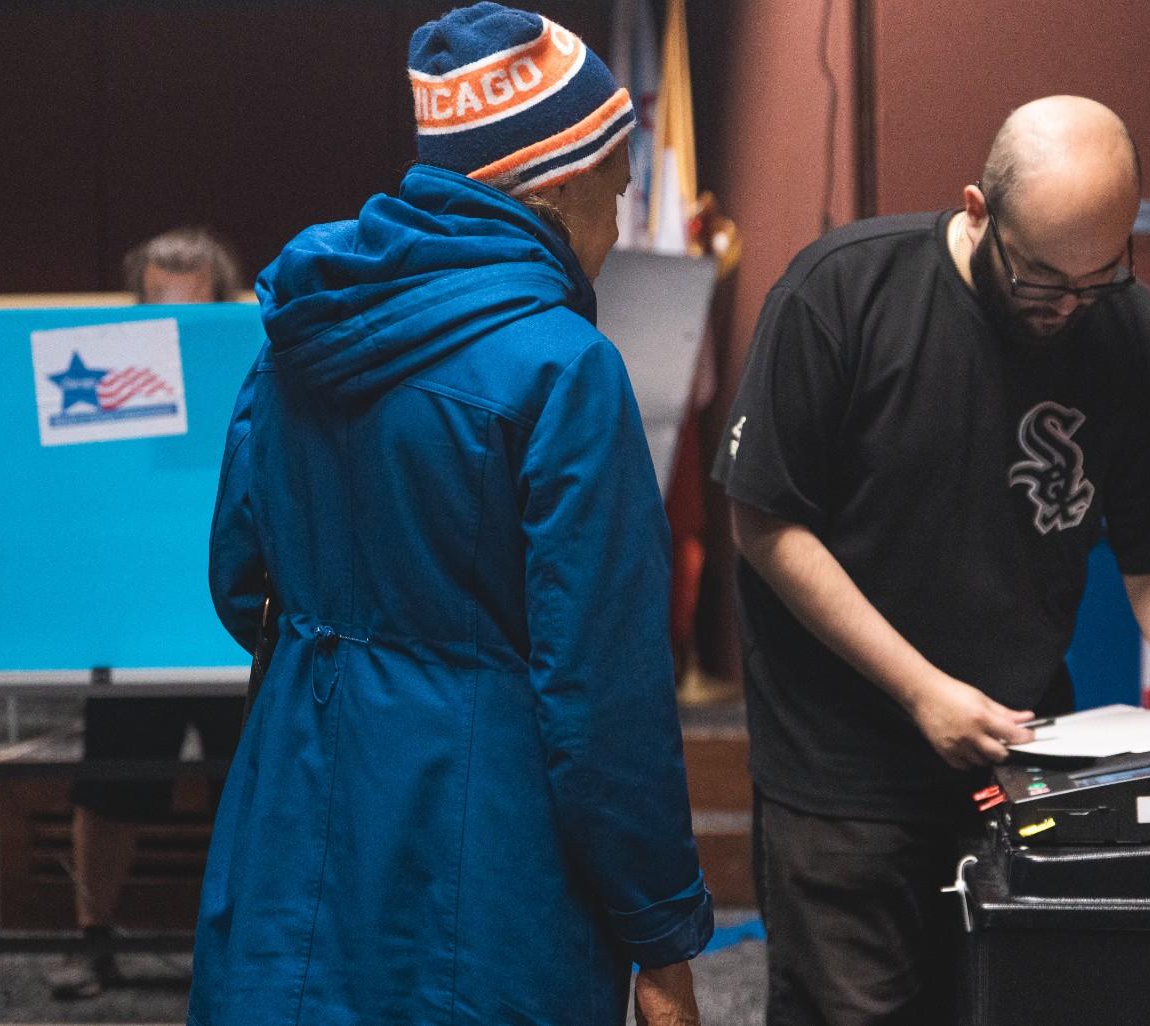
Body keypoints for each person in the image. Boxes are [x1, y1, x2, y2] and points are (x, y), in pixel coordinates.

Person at [189, 6, 710, 1025]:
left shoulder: (299, 332)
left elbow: (236, 576)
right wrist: (664, 937)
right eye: (617, 185)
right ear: (559, 183)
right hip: (486, 842)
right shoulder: (564, 367)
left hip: (292, 804)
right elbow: (605, 694)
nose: (619, 220)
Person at [711, 95, 1150, 1024]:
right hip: (841, 766)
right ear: (977, 209)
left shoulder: (1140, 337)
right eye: (1043, 279)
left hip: (1020, 757)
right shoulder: (843, 293)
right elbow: (764, 523)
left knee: (1016, 1000)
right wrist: (921, 688)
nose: (1068, 308)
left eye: (1100, 277)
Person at [47, 226, 246, 1001]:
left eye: (189, 300)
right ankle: (92, 940)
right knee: (109, 788)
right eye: (156, 298)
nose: (170, 318)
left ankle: (248, 947)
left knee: (252, 785)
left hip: (234, 620)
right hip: (135, 620)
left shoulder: (255, 369)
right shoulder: (106, 373)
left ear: (221, 299)